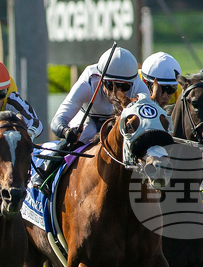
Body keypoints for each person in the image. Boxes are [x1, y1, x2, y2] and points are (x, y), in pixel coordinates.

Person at [37, 47, 148, 186]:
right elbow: (57, 121)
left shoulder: (140, 88)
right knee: (86, 132)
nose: (116, 92)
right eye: (110, 85)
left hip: (118, 121)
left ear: (132, 82)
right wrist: (67, 132)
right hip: (88, 117)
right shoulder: (88, 82)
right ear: (100, 78)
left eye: (123, 86)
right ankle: (45, 172)